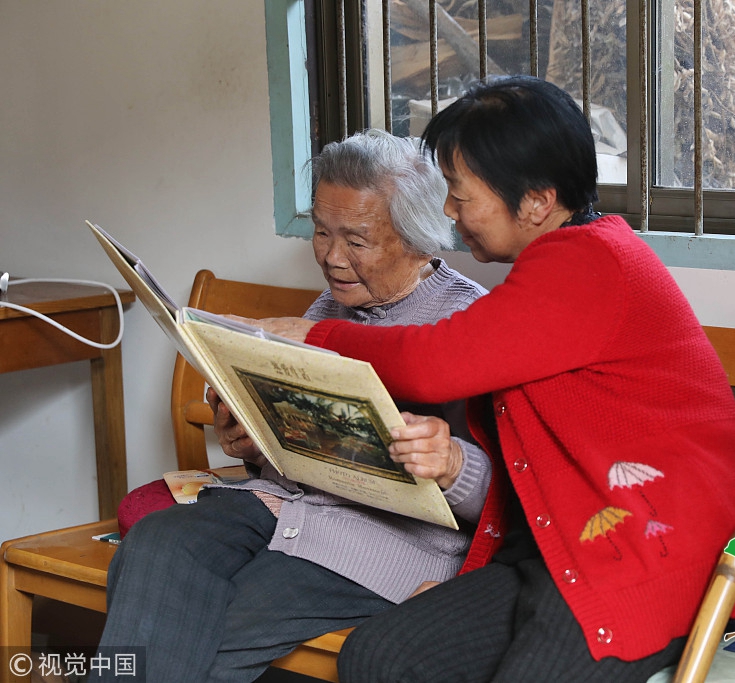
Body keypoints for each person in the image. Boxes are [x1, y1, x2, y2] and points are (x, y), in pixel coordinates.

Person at [244, 77, 735, 682]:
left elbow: (434, 363)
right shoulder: (561, 264)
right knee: (381, 656)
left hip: (643, 554)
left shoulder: (589, 264)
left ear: (535, 201)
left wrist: (314, 336)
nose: (449, 212)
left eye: (460, 194)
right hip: (556, 548)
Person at [91, 129, 491, 683]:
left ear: (419, 241)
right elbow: (299, 438)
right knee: (156, 544)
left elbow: (507, 494)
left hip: (382, 542)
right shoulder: (328, 305)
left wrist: (449, 465)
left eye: (356, 240)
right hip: (283, 507)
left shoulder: (470, 325)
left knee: (206, 634)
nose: (331, 257)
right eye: (321, 232)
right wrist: (251, 440)